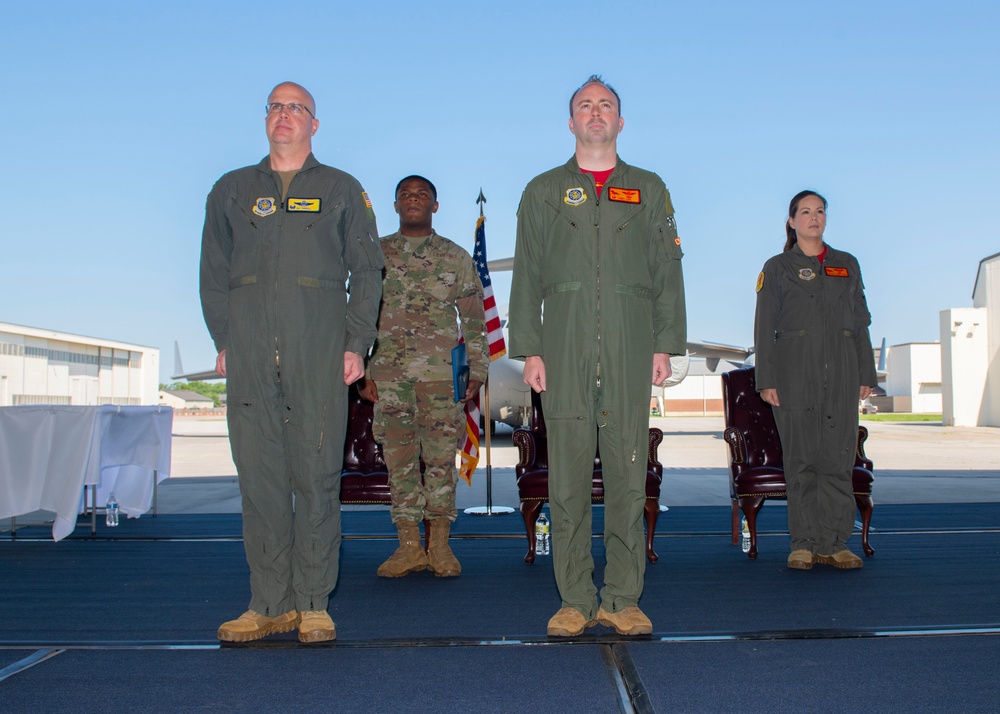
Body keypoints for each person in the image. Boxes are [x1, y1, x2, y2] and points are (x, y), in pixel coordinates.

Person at [200, 82, 384, 643]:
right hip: (251, 353)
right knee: (260, 482)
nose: (284, 116)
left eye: (296, 108)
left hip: (319, 352)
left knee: (317, 478)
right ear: (266, 121)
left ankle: (312, 603)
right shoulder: (231, 190)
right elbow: (213, 272)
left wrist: (356, 341)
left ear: (314, 124)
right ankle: (267, 603)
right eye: (275, 107)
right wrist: (226, 337)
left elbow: (369, 270)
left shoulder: (341, 189)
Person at [509, 75, 687, 637]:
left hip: (632, 346)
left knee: (629, 475)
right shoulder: (542, 191)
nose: (595, 113)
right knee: (565, 477)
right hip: (562, 347)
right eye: (584, 106)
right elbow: (527, 275)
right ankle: (575, 598)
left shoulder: (649, 188)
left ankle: (622, 597)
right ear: (570, 121)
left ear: (620, 121)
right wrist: (530, 349)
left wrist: (665, 342)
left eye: (605, 105)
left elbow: (668, 270)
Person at [357, 175, 489, 578]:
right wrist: (361, 368)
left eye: (422, 195)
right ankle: (408, 547)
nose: (413, 200)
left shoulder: (454, 256)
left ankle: (441, 547)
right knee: (398, 463)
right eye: (405, 195)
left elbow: (473, 317)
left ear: (435, 205)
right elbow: (359, 316)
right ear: (395, 205)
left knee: (438, 463)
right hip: (389, 378)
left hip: (440, 379)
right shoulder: (374, 254)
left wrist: (477, 369)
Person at [753, 190, 877, 571]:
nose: (813, 217)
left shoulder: (847, 264)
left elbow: (860, 323)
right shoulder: (777, 267)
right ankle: (804, 543)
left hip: (842, 373)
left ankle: (834, 542)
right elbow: (764, 327)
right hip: (794, 374)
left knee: (837, 460)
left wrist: (865, 373)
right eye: (805, 212)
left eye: (820, 211)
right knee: (802, 460)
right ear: (792, 221)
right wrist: (767, 378)